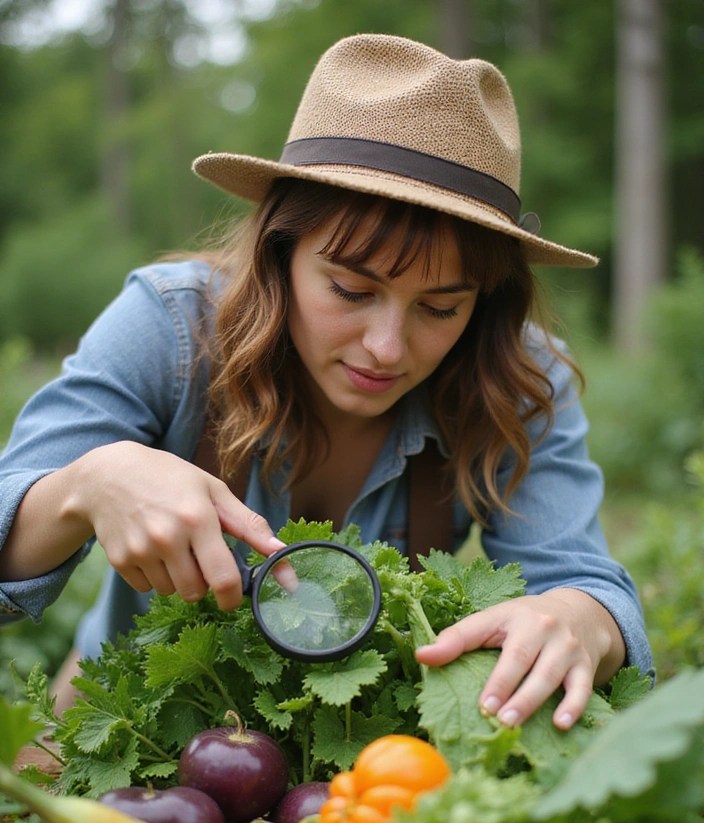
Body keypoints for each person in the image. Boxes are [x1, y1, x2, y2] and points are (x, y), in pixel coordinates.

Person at [0, 33, 651, 730]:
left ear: (485, 302)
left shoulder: (520, 378)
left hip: (362, 752)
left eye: (441, 307)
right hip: (134, 727)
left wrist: (579, 616)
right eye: (349, 288)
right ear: (280, 254)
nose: (386, 347)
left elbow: (582, 582)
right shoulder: (169, 329)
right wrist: (86, 485)